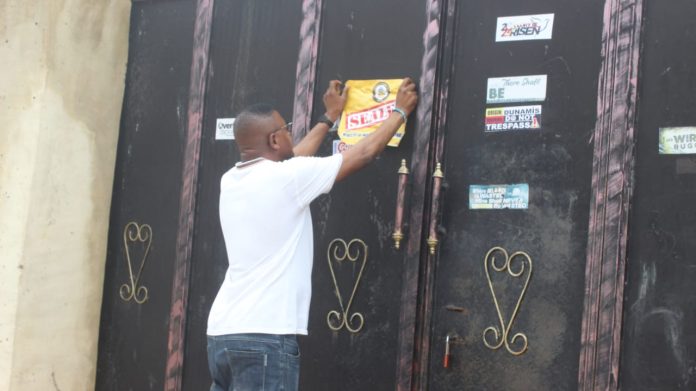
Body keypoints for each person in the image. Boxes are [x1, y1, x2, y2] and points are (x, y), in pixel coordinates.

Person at [206, 78, 418, 391]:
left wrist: (329, 117)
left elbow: (295, 159)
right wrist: (400, 111)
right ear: (275, 140)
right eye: (287, 128)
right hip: (264, 335)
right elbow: (362, 154)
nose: (291, 132)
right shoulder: (288, 179)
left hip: (222, 333)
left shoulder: (232, 179)